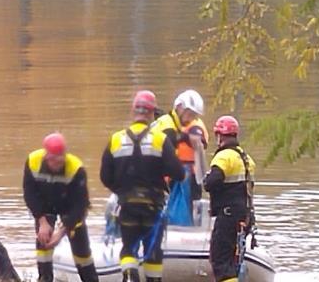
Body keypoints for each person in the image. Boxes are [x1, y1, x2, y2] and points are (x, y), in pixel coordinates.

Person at [100, 90, 184, 282]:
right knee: (153, 250)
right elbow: (179, 173)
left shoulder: (115, 140)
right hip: (153, 206)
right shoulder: (160, 140)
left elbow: (105, 176)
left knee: (128, 247)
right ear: (152, 113)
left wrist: (121, 190)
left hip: (127, 205)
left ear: (134, 112)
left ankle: (130, 273)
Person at [23, 132, 99, 282]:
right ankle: (44, 278)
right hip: (45, 208)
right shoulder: (33, 161)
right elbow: (30, 194)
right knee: (43, 248)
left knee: (82, 255)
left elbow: (81, 205)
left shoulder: (76, 168)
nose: (57, 165)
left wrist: (62, 231)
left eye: (60, 161)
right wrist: (42, 222)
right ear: (46, 157)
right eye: (53, 162)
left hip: (70, 208)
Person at [203, 115, 256, 282]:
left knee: (221, 262)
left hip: (227, 217)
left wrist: (206, 178)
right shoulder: (247, 159)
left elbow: (211, 183)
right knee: (233, 263)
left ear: (220, 136)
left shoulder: (224, 157)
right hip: (245, 217)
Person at [152, 90, 208, 207]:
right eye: (189, 114)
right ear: (179, 107)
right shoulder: (166, 124)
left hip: (172, 179)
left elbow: (197, 137)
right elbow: (169, 140)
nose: (190, 119)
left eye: (194, 115)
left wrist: (188, 137)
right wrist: (183, 137)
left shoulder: (186, 124)